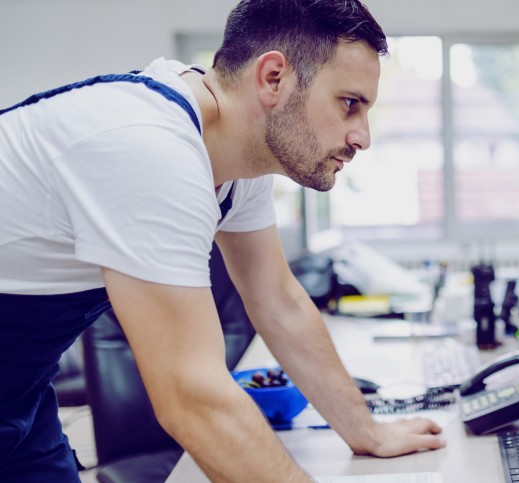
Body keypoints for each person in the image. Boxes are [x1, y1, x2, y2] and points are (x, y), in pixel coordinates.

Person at [0, 0, 445, 481]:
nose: (362, 136)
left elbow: (279, 302)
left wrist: (368, 433)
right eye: (349, 103)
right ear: (273, 78)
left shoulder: (232, 153)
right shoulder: (147, 147)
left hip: (21, 390)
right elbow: (192, 397)